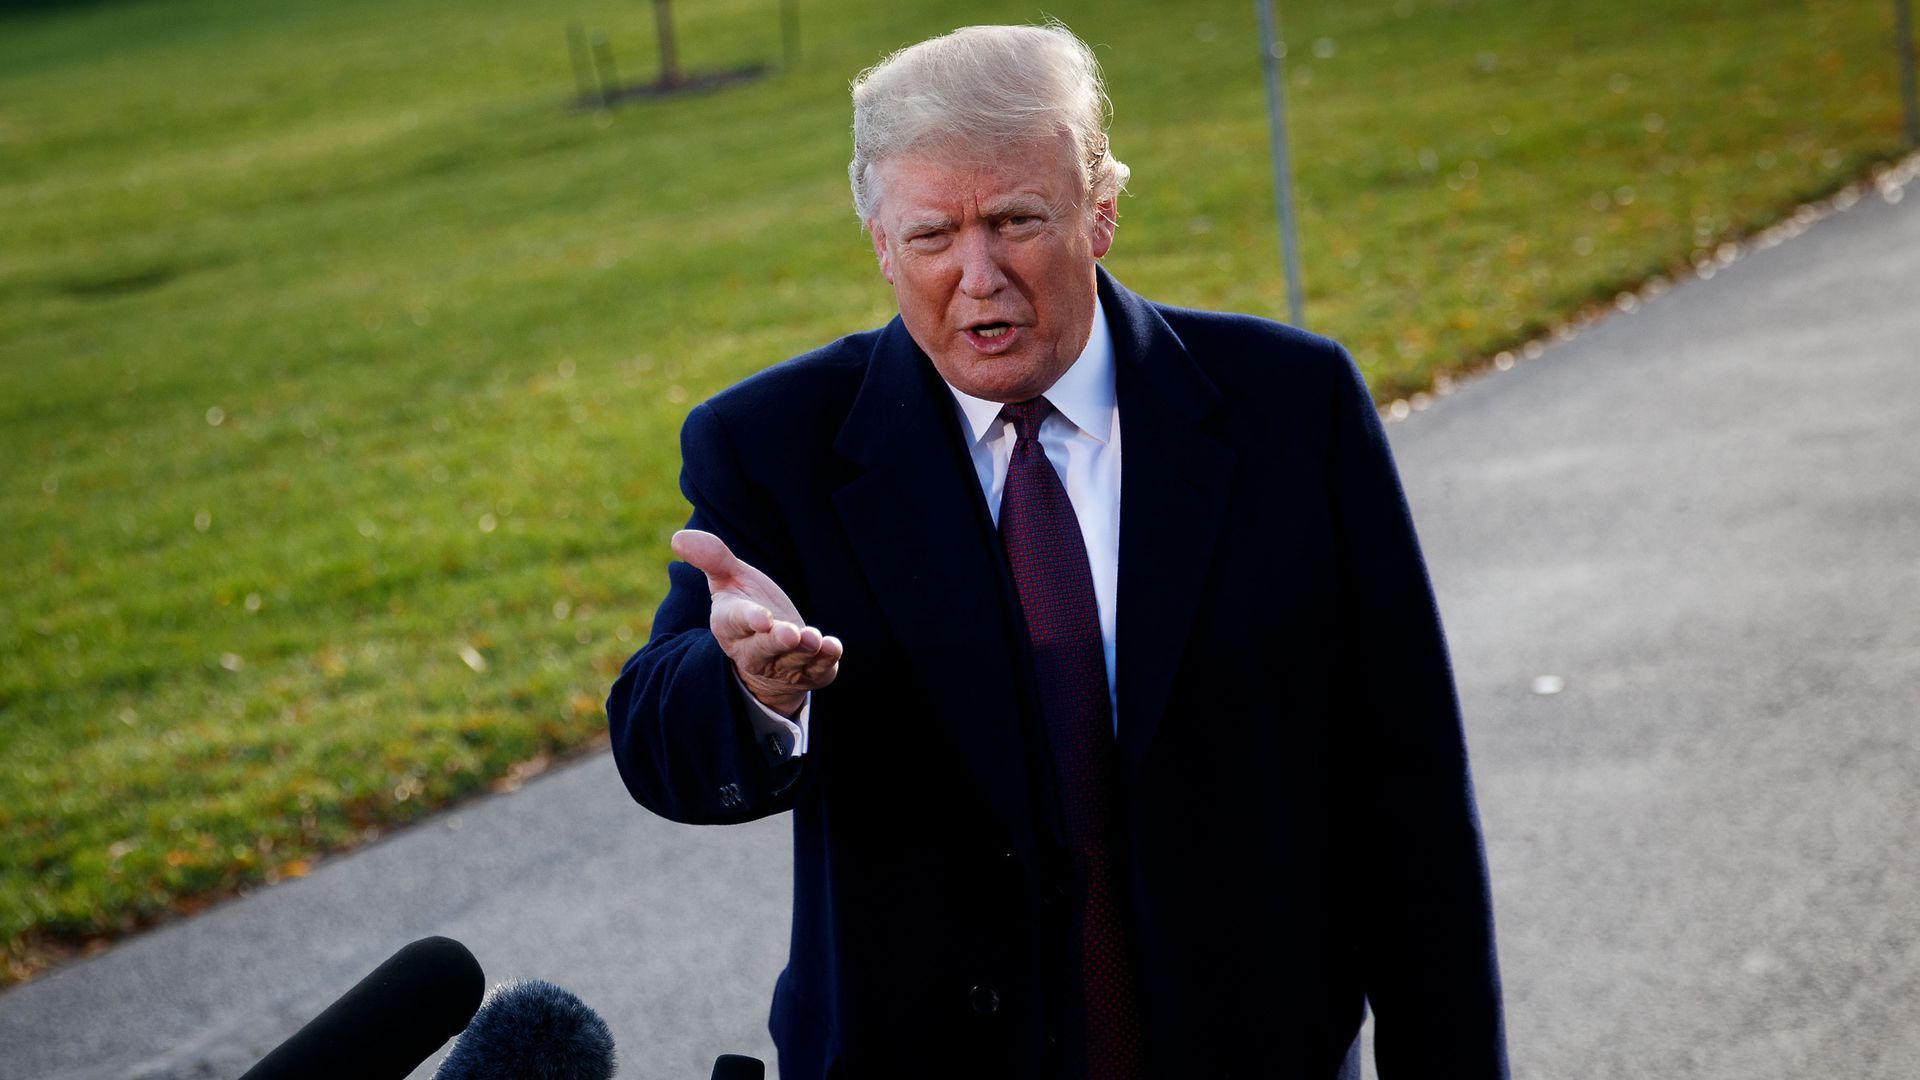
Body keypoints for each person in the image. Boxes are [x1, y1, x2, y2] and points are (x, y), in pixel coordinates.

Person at [608, 22, 1507, 1079]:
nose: (978, 275)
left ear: (1102, 213)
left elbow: (1407, 789)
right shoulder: (772, 445)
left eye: (1017, 221)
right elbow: (654, 739)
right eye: (935, 236)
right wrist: (749, 690)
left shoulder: (1292, 409)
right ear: (881, 245)